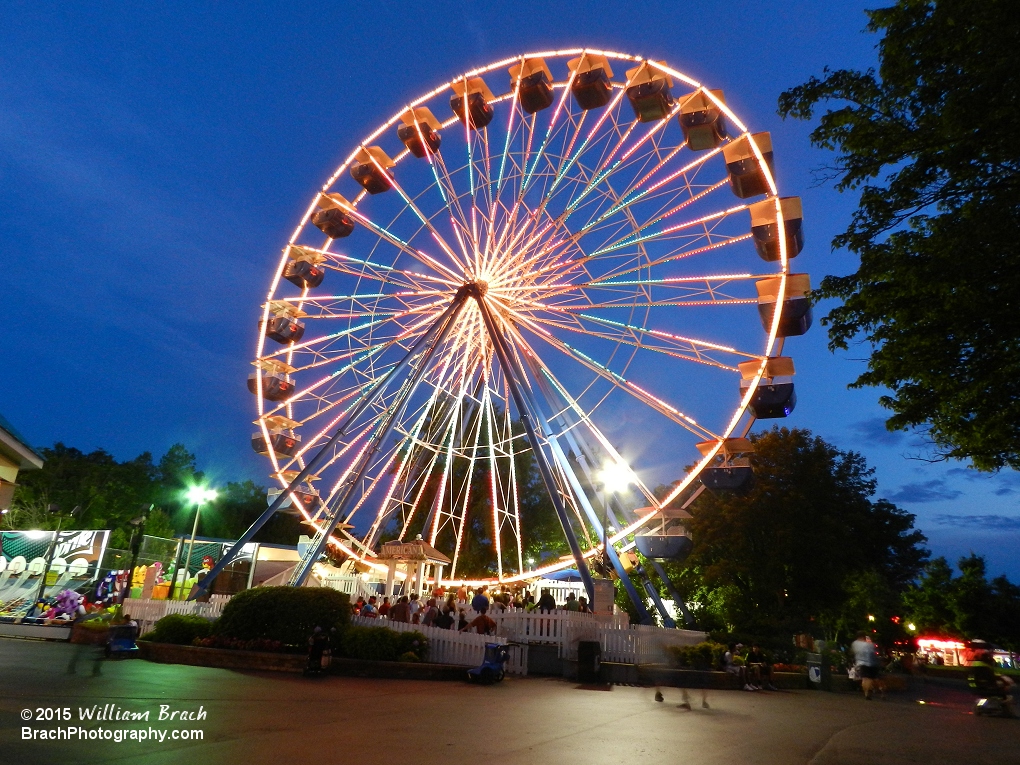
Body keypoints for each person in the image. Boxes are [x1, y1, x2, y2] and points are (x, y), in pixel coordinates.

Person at [850, 631, 884, 700]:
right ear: (863, 636)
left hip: (860, 663)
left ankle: (866, 693)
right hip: (871, 664)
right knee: (873, 679)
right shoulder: (868, 645)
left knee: (864, 679)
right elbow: (873, 654)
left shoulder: (854, 644)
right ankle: (877, 692)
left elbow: (853, 652)